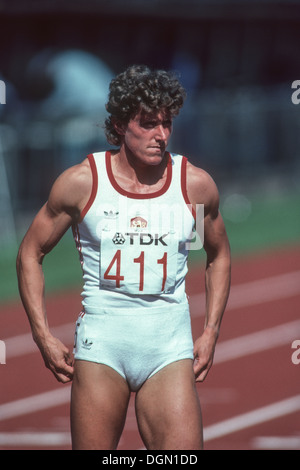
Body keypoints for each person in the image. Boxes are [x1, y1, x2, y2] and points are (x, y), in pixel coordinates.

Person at [16, 65, 231, 450]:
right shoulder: (83, 183)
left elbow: (217, 256)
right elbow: (31, 253)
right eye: (148, 124)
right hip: (104, 345)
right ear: (118, 125)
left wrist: (211, 330)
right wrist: (42, 335)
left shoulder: (193, 185)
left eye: (167, 123)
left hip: (168, 346)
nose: (161, 135)